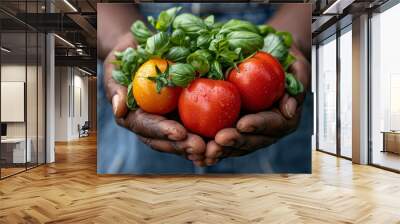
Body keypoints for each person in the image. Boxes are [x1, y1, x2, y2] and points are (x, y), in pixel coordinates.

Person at [97, 3, 312, 174]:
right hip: (131, 19)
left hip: (275, 20)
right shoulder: (168, 67)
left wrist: (294, 37)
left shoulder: (248, 63)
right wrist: (119, 37)